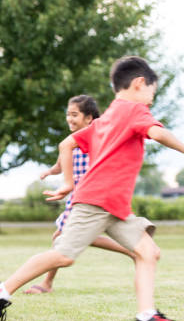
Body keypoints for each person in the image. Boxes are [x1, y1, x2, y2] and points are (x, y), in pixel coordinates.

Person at [0, 56, 184, 321]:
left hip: (114, 205)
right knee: (63, 255)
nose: (151, 100)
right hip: (98, 199)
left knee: (149, 252)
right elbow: (157, 132)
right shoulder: (134, 110)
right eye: (152, 93)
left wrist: (69, 183)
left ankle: (147, 319)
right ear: (139, 83)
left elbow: (67, 143)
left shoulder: (109, 116)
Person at [24, 95, 135, 294]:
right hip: (77, 199)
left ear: (89, 118)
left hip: (90, 198)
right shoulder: (70, 143)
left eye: (74, 114)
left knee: (62, 237)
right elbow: (60, 166)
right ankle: (47, 283)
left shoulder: (98, 140)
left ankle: (47, 284)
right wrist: (50, 172)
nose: (69, 119)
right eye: (68, 114)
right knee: (63, 236)